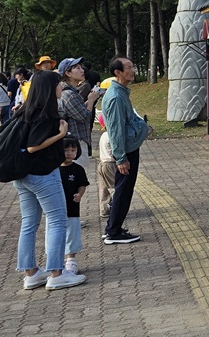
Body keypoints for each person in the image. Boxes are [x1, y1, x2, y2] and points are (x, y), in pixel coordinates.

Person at [15, 70, 86, 291]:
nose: (61, 88)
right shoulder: (47, 114)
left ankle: (31, 273)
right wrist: (60, 134)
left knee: (29, 223)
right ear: (49, 87)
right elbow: (33, 146)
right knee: (57, 220)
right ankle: (56, 273)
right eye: (59, 84)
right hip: (43, 174)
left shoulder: (24, 110)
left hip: (22, 174)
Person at [102, 57, 149, 245]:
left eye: (133, 66)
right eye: (128, 68)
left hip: (128, 149)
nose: (133, 70)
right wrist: (121, 158)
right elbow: (115, 130)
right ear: (118, 72)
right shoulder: (115, 96)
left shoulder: (120, 93)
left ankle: (113, 228)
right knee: (123, 190)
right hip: (125, 151)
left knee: (124, 189)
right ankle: (113, 232)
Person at [58, 57, 99, 170]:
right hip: (74, 143)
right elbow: (84, 117)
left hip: (73, 142)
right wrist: (91, 101)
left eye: (81, 67)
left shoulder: (70, 92)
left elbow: (77, 112)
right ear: (68, 73)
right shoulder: (69, 94)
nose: (82, 71)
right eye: (77, 68)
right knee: (77, 179)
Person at [59, 138, 89, 275]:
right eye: (66, 150)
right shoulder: (53, 169)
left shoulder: (78, 169)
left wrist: (79, 194)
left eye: (73, 150)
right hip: (56, 208)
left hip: (72, 209)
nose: (69, 153)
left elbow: (82, 184)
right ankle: (57, 261)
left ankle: (71, 261)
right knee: (55, 233)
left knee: (72, 234)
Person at [95, 111, 115, 220]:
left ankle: (104, 210)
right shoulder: (112, 135)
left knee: (103, 189)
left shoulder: (103, 135)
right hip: (110, 164)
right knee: (114, 187)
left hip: (101, 163)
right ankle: (117, 209)